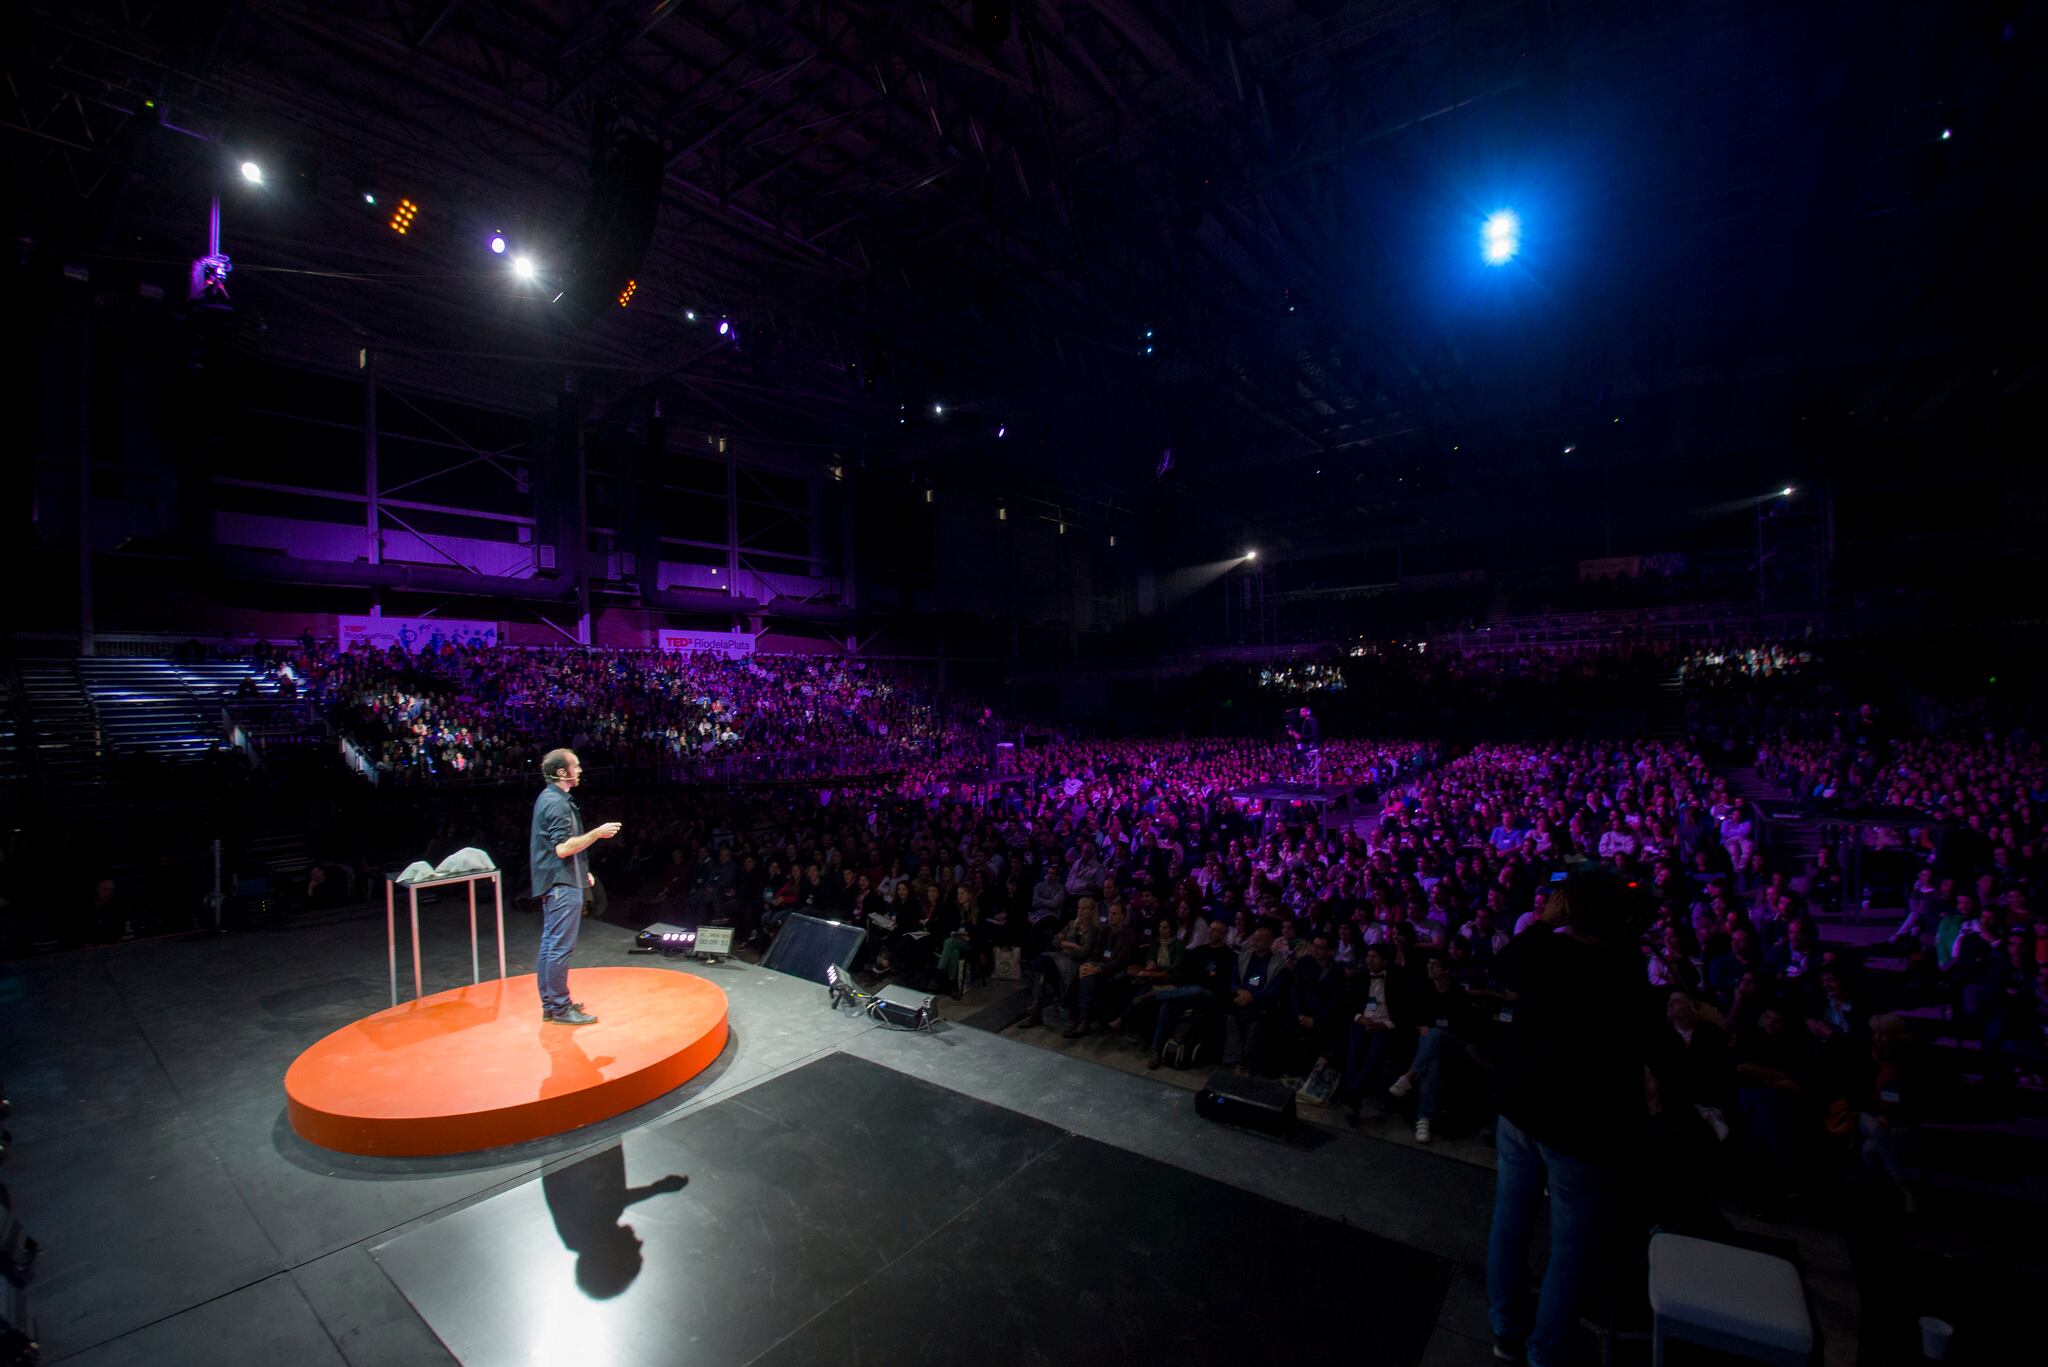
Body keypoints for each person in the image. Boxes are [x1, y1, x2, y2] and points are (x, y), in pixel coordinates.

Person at [1486, 874, 1650, 1367]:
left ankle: (1507, 1330)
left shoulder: (1548, 951)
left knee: (1510, 1225)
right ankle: (1545, 1350)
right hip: (1579, 1126)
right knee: (1569, 1248)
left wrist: (1542, 922)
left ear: (1569, 913)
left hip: (1523, 1109)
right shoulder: (1624, 964)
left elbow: (1504, 965)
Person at [529, 748, 622, 1024]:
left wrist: (583, 871)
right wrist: (597, 833)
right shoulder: (556, 803)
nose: (580, 770)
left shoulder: (549, 798)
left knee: (550, 945)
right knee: (559, 947)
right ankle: (559, 1007)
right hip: (561, 884)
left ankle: (552, 1003)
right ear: (562, 772)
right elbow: (562, 848)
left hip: (558, 879)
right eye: (576, 766)